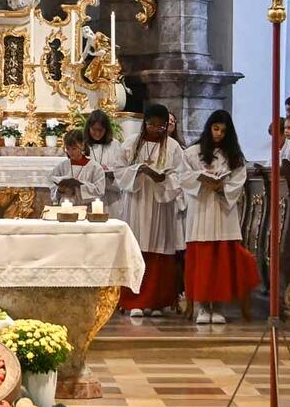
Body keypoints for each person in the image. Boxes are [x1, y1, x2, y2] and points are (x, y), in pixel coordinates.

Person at [180, 111, 258, 325]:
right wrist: (202, 181)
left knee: (221, 261)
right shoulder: (193, 152)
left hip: (224, 212)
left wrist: (222, 186)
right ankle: (203, 306)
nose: (219, 134)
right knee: (203, 260)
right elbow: (184, 177)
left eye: (223, 131)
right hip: (202, 209)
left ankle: (220, 305)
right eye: (216, 129)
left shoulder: (234, 156)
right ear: (209, 128)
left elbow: (238, 180)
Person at [116, 104, 185, 317]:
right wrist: (137, 171)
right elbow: (119, 171)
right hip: (136, 202)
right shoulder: (130, 144)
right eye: (152, 124)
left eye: (160, 126)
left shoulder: (173, 147)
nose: (156, 129)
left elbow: (179, 175)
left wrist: (162, 178)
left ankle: (156, 301)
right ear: (144, 124)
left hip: (160, 205)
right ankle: (133, 301)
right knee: (136, 249)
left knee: (159, 249)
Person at [48, 129, 105, 206]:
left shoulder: (95, 167)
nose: (70, 152)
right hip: (65, 206)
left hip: (86, 207)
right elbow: (53, 187)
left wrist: (80, 185)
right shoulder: (62, 166)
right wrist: (60, 190)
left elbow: (100, 191)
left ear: (82, 145)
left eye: (74, 148)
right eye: (68, 149)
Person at [85, 109, 125, 215]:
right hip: (90, 197)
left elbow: (122, 169)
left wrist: (110, 172)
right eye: (94, 129)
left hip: (111, 197)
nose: (97, 133)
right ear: (88, 128)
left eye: (101, 130)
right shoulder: (84, 145)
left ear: (106, 130)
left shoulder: (114, 145)